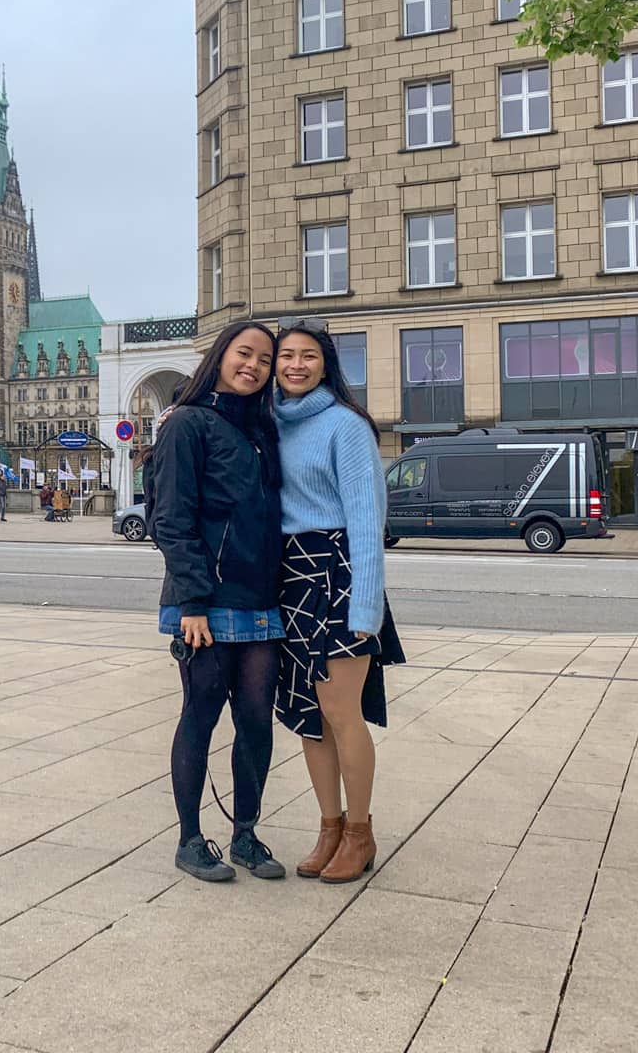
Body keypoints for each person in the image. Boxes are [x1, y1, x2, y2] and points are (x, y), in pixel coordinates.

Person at [148, 319, 285, 884]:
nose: (252, 366)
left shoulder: (263, 431)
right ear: (220, 356)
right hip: (205, 599)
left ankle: (246, 834)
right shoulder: (187, 424)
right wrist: (193, 603)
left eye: (263, 361)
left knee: (255, 721)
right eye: (243, 353)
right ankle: (189, 838)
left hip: (260, 598)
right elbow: (169, 519)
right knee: (200, 717)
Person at [273, 321, 405, 884]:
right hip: (289, 579)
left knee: (340, 713)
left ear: (326, 364)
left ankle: (360, 833)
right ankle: (328, 826)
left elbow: (366, 520)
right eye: (286, 356)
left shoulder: (345, 427)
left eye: (308, 356)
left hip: (338, 574)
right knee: (309, 720)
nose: (295, 365)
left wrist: (365, 611)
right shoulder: (271, 424)